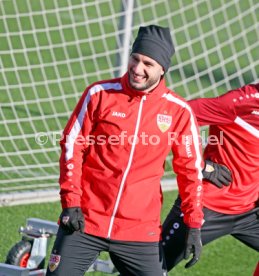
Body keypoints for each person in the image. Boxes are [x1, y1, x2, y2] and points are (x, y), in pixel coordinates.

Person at [46, 25, 204, 276]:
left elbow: (190, 170)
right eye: (135, 59)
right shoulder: (99, 94)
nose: (137, 69)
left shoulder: (179, 111)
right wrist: (71, 202)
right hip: (85, 220)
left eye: (148, 64)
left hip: (139, 230)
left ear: (162, 69)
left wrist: (193, 224)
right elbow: (72, 145)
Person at [162, 83, 259, 273]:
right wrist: (199, 165)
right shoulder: (238, 102)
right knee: (150, 269)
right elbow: (171, 119)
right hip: (206, 207)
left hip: (250, 212)